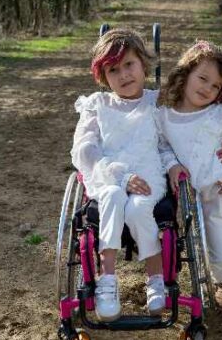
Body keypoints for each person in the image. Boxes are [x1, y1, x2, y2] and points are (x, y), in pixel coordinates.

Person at [158, 41, 222, 328]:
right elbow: (163, 148)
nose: (207, 88)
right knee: (219, 250)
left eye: (215, 86)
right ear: (186, 73)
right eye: (202, 78)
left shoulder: (220, 115)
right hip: (207, 196)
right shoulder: (165, 117)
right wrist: (172, 165)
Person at [71, 30, 168, 321]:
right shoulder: (98, 105)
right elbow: (85, 150)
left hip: (148, 174)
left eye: (129, 65)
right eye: (114, 70)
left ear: (143, 64)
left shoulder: (157, 102)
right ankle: (107, 279)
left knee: (139, 209)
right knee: (112, 195)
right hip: (108, 175)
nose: (124, 74)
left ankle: (155, 278)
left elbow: (170, 142)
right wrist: (118, 175)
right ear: (103, 76)